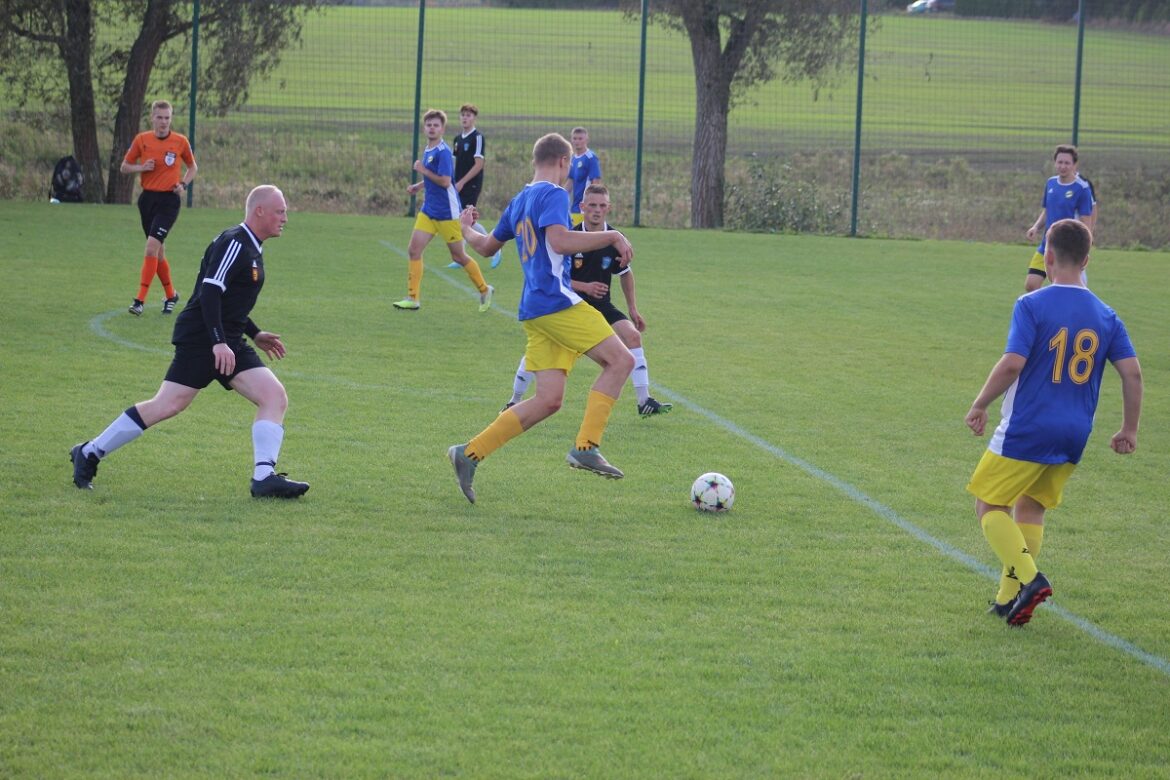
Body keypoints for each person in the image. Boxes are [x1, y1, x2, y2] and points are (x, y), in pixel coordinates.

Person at [70, 185, 310, 499]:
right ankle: (89, 452)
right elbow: (209, 293)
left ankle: (264, 478)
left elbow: (228, 301)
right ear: (260, 211)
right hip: (203, 338)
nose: (285, 218)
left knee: (274, 396)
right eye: (280, 211)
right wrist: (217, 342)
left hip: (226, 340)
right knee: (167, 404)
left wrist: (254, 333)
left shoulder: (251, 247)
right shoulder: (235, 243)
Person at [965, 219, 1141, 626]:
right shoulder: (1106, 315)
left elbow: (1012, 364)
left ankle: (1030, 581)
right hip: (1074, 433)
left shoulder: (1032, 304)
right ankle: (1008, 599)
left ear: (1047, 257)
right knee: (1032, 505)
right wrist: (1129, 429)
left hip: (1029, 426)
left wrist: (980, 403)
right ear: (1087, 260)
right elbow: (1132, 373)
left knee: (989, 503)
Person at [448, 132, 636, 504]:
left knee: (549, 400)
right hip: (557, 302)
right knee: (622, 360)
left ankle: (469, 453)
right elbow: (560, 242)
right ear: (564, 162)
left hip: (535, 310)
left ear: (536, 160)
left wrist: (465, 227)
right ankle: (586, 447)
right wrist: (611, 235)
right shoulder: (554, 194)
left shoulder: (519, 200)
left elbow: (485, 247)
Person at [502, 183, 672, 417]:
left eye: (602, 206)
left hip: (601, 306)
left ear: (608, 208)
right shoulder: (568, 237)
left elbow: (625, 273)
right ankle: (514, 400)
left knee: (633, 336)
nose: (597, 210)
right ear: (582, 207)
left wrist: (633, 309)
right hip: (568, 305)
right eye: (592, 205)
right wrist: (585, 287)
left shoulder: (615, 239)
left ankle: (644, 400)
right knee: (538, 353)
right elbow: (555, 278)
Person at [394, 108, 493, 312]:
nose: (432, 128)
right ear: (424, 128)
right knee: (414, 250)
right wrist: (419, 186)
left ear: (442, 129)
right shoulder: (428, 149)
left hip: (448, 214)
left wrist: (422, 170)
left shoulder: (444, 152)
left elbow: (446, 181)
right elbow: (434, 177)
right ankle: (413, 298)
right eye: (428, 125)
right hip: (429, 211)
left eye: (436, 125)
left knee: (458, 256)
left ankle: (485, 290)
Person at [120, 100, 198, 316]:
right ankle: (171, 294)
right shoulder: (142, 140)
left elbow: (192, 167)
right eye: (160, 117)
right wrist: (141, 167)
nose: (163, 122)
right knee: (158, 251)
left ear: (170, 119)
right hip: (147, 200)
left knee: (151, 248)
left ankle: (139, 301)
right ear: (152, 118)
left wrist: (183, 184)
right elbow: (124, 167)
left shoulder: (180, 141)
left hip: (169, 201)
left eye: (167, 118)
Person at [1023, 144, 1096, 293]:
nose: (1063, 166)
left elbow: (1086, 221)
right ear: (1055, 163)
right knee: (1031, 285)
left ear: (1074, 165)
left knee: (1066, 289)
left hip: (1067, 248)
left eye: (1067, 163)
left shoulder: (1082, 188)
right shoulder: (1051, 183)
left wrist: (1084, 246)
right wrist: (1036, 227)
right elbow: (1047, 210)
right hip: (1047, 245)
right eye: (1060, 162)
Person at [447, 103, 503, 269]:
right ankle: (463, 255)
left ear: (474, 118)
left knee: (466, 217)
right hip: (458, 185)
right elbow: (454, 164)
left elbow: (479, 164)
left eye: (468, 115)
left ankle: (493, 249)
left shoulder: (477, 138)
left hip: (470, 185)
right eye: (463, 115)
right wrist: (452, 182)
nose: (465, 118)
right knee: (463, 218)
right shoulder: (457, 139)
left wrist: (462, 182)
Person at [564, 126, 602, 227]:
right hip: (575, 208)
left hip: (585, 209)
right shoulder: (573, 159)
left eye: (580, 138)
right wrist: (559, 195)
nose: (577, 141)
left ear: (586, 140)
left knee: (583, 235)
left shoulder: (590, 158)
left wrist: (593, 205)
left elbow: (596, 182)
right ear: (571, 140)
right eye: (575, 138)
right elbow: (570, 181)